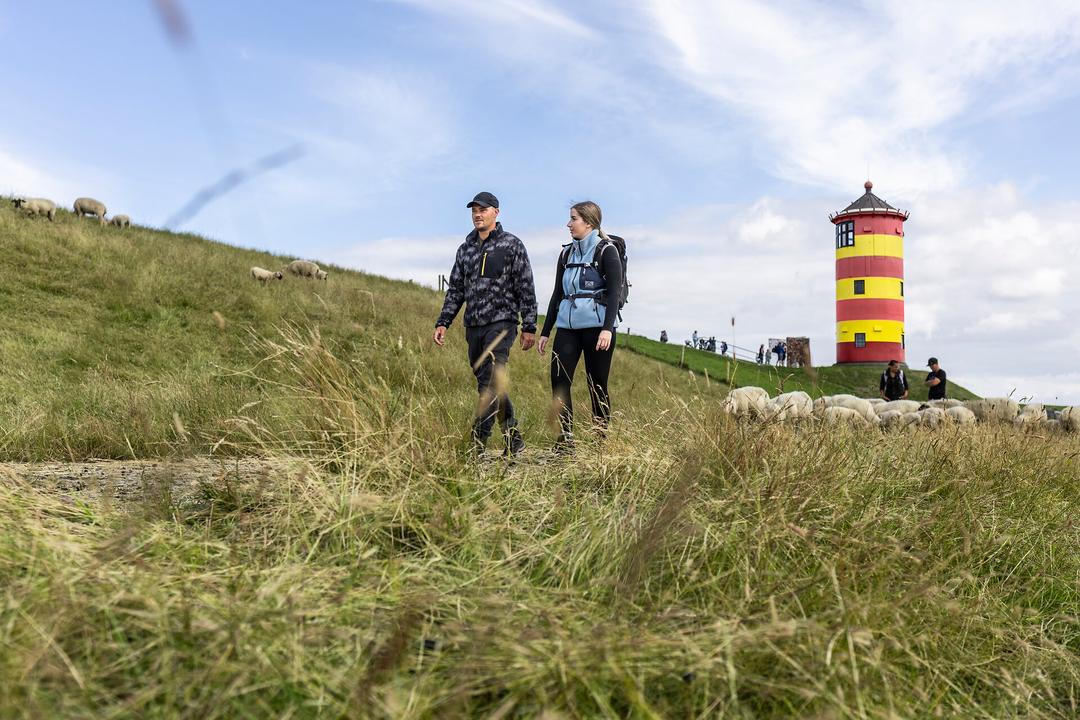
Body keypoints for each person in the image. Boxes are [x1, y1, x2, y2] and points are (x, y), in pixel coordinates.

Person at [434, 191, 537, 457]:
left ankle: (477, 444)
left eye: (483, 210)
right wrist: (444, 321)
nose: (477, 214)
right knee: (488, 382)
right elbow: (456, 289)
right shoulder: (465, 249)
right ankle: (514, 439)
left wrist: (529, 325)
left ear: (496, 213)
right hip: (474, 325)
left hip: (502, 323)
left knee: (490, 382)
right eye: (474, 211)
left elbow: (525, 285)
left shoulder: (512, 245)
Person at [538, 201, 624, 453]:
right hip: (567, 328)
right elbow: (557, 294)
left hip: (598, 328)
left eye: (573, 219)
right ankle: (565, 440)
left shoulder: (606, 251)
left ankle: (600, 442)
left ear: (588, 222)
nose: (568, 223)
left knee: (596, 384)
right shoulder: (566, 254)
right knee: (559, 381)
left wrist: (608, 328)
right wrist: (546, 331)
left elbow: (614, 292)